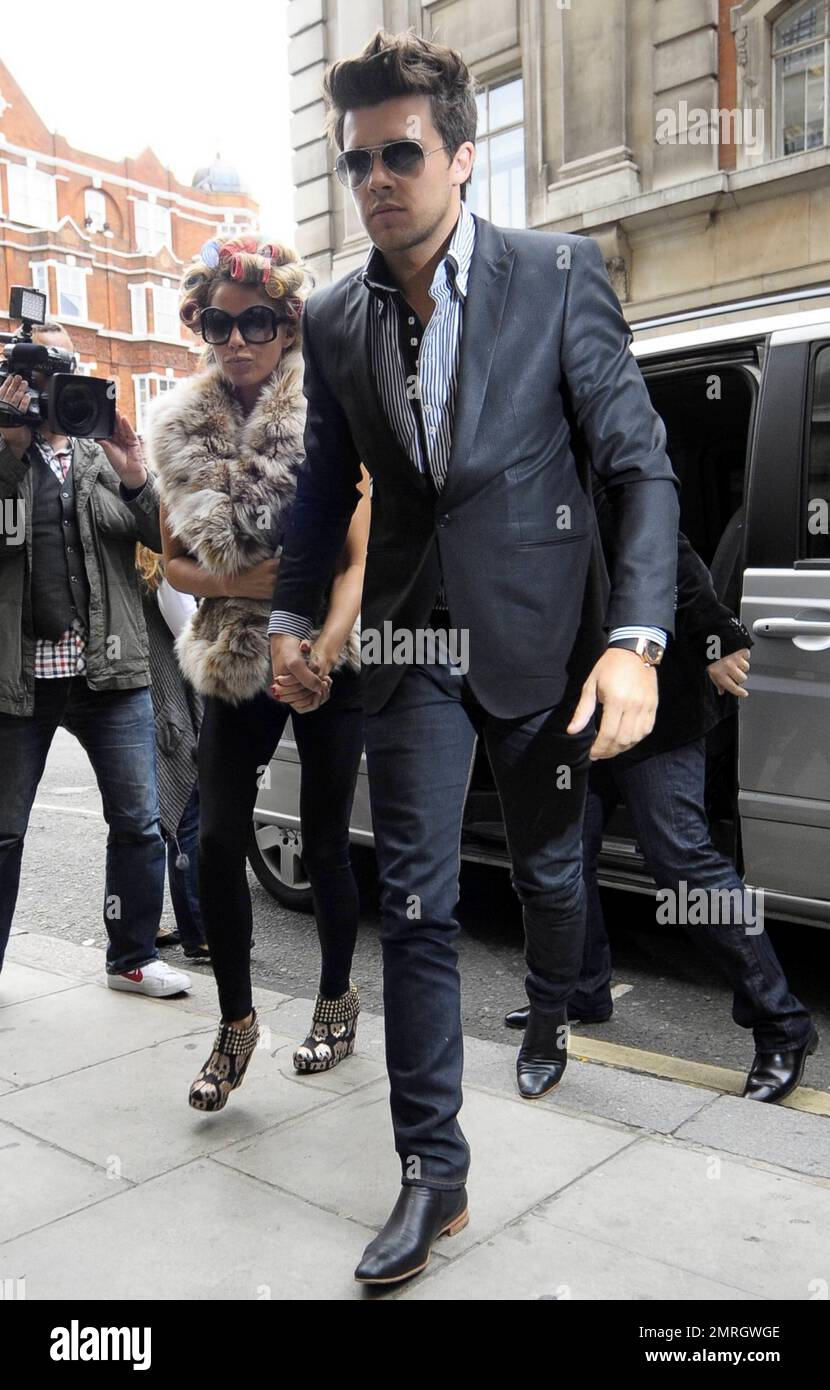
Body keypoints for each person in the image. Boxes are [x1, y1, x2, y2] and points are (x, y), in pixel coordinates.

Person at [268, 30, 680, 1286]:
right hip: (406, 641)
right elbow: (322, 481)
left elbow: (636, 466)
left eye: (402, 153)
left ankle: (553, 1011)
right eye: (358, 161)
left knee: (554, 876)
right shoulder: (334, 315)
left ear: (459, 156)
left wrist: (634, 639)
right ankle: (431, 1173)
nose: (378, 178)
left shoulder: (558, 274)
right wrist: (293, 617)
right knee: (417, 904)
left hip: (542, 634)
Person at [148, 234, 368, 1113]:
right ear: (200, 325)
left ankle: (338, 999)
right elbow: (171, 565)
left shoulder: (328, 411)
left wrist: (321, 650)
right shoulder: (182, 427)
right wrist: (244, 585)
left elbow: (355, 559)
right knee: (212, 838)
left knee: (322, 843)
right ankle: (236, 1023)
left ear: (288, 324)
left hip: (327, 648)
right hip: (236, 650)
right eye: (218, 323)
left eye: (259, 322)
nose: (237, 340)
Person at [505, 510, 818, 1104]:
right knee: (566, 853)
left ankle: (783, 1024)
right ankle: (582, 991)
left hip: (656, 697)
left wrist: (716, 635)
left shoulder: (594, 449)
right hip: (573, 698)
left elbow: (665, 547)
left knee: (680, 858)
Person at [0, 320, 190, 998]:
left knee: (138, 822)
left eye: (66, 372)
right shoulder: (3, 452)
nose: (55, 392)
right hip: (18, 680)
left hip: (111, 675)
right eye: (36, 375)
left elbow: (168, 542)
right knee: (3, 832)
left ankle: (132, 956)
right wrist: (7, 449)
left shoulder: (103, 453)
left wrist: (138, 472)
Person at [135, 543, 210, 963]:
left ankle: (141, 922)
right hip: (170, 705)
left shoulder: (127, 562)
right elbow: (189, 628)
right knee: (188, 814)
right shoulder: (160, 568)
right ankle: (199, 931)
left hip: (140, 697)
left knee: (141, 819)